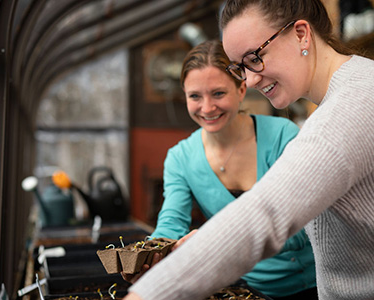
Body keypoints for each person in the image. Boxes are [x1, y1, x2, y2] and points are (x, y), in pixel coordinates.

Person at [124, 0, 374, 299]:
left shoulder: (351, 107)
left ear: (301, 35)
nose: (252, 79)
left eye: (255, 57)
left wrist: (146, 294)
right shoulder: (348, 94)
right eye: (241, 67)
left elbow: (265, 215)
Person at [123, 40, 317, 299]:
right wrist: (149, 258)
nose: (207, 108)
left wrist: (212, 242)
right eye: (195, 96)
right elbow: (170, 226)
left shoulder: (283, 136)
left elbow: (303, 226)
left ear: (241, 89)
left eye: (218, 93)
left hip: (314, 285)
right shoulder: (180, 158)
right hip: (246, 291)